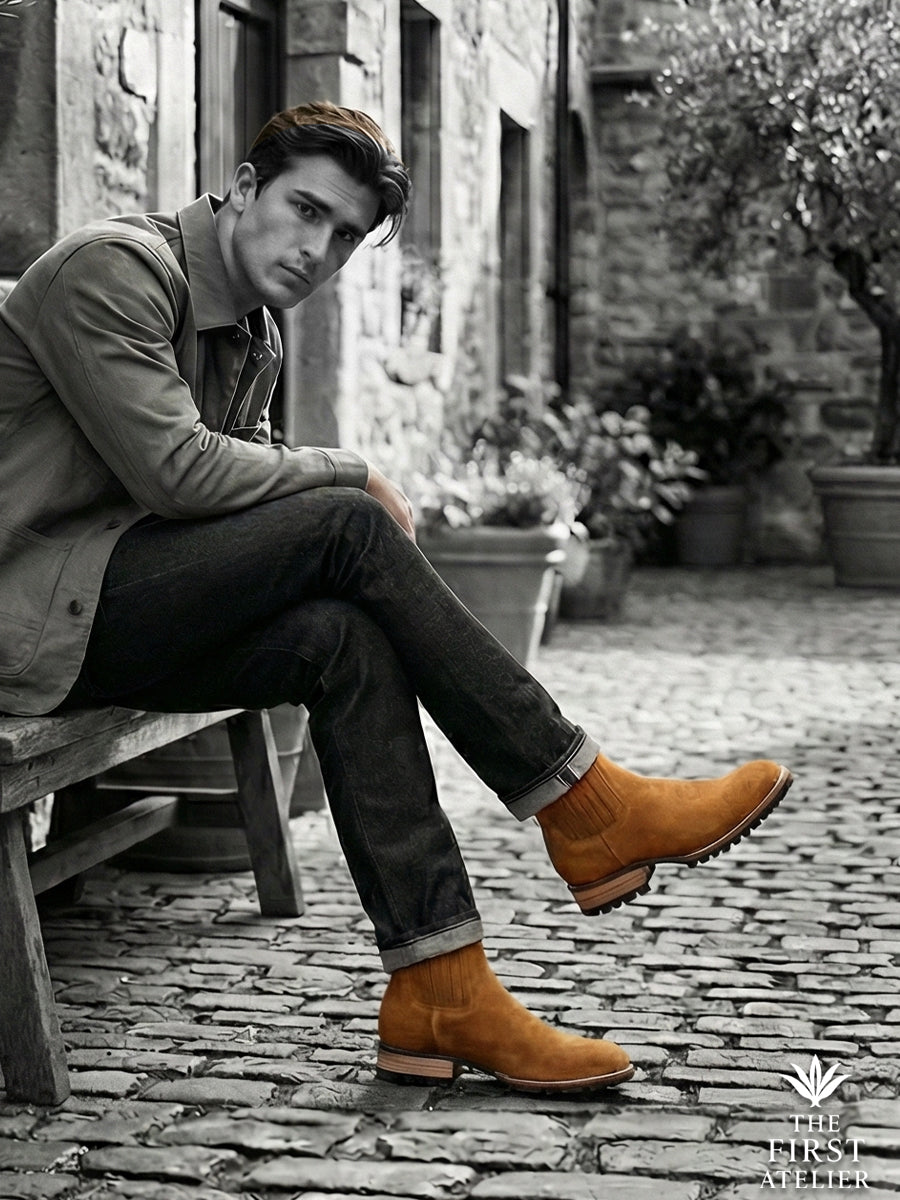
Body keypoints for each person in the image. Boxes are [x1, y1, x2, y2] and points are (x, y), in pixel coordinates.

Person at [0, 100, 792, 1095]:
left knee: (341, 639)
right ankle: (587, 804)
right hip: (26, 615)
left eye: (342, 236)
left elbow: (231, 486)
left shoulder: (252, 329)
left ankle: (441, 986)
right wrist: (352, 469)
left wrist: (320, 480)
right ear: (243, 188)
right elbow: (178, 474)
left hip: (105, 606)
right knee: (349, 520)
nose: (316, 248)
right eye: (304, 210)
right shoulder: (111, 271)